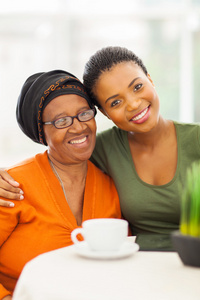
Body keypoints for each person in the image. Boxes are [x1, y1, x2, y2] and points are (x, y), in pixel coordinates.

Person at [1, 46, 200, 250]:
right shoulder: (101, 149)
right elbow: (52, 161)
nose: (132, 104)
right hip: (143, 269)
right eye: (115, 102)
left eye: (138, 87)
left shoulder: (195, 139)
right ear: (104, 113)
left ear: (150, 79)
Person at [0, 70, 121, 299]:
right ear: (42, 134)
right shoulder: (12, 186)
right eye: (61, 121)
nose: (78, 127)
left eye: (84, 114)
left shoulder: (111, 186)